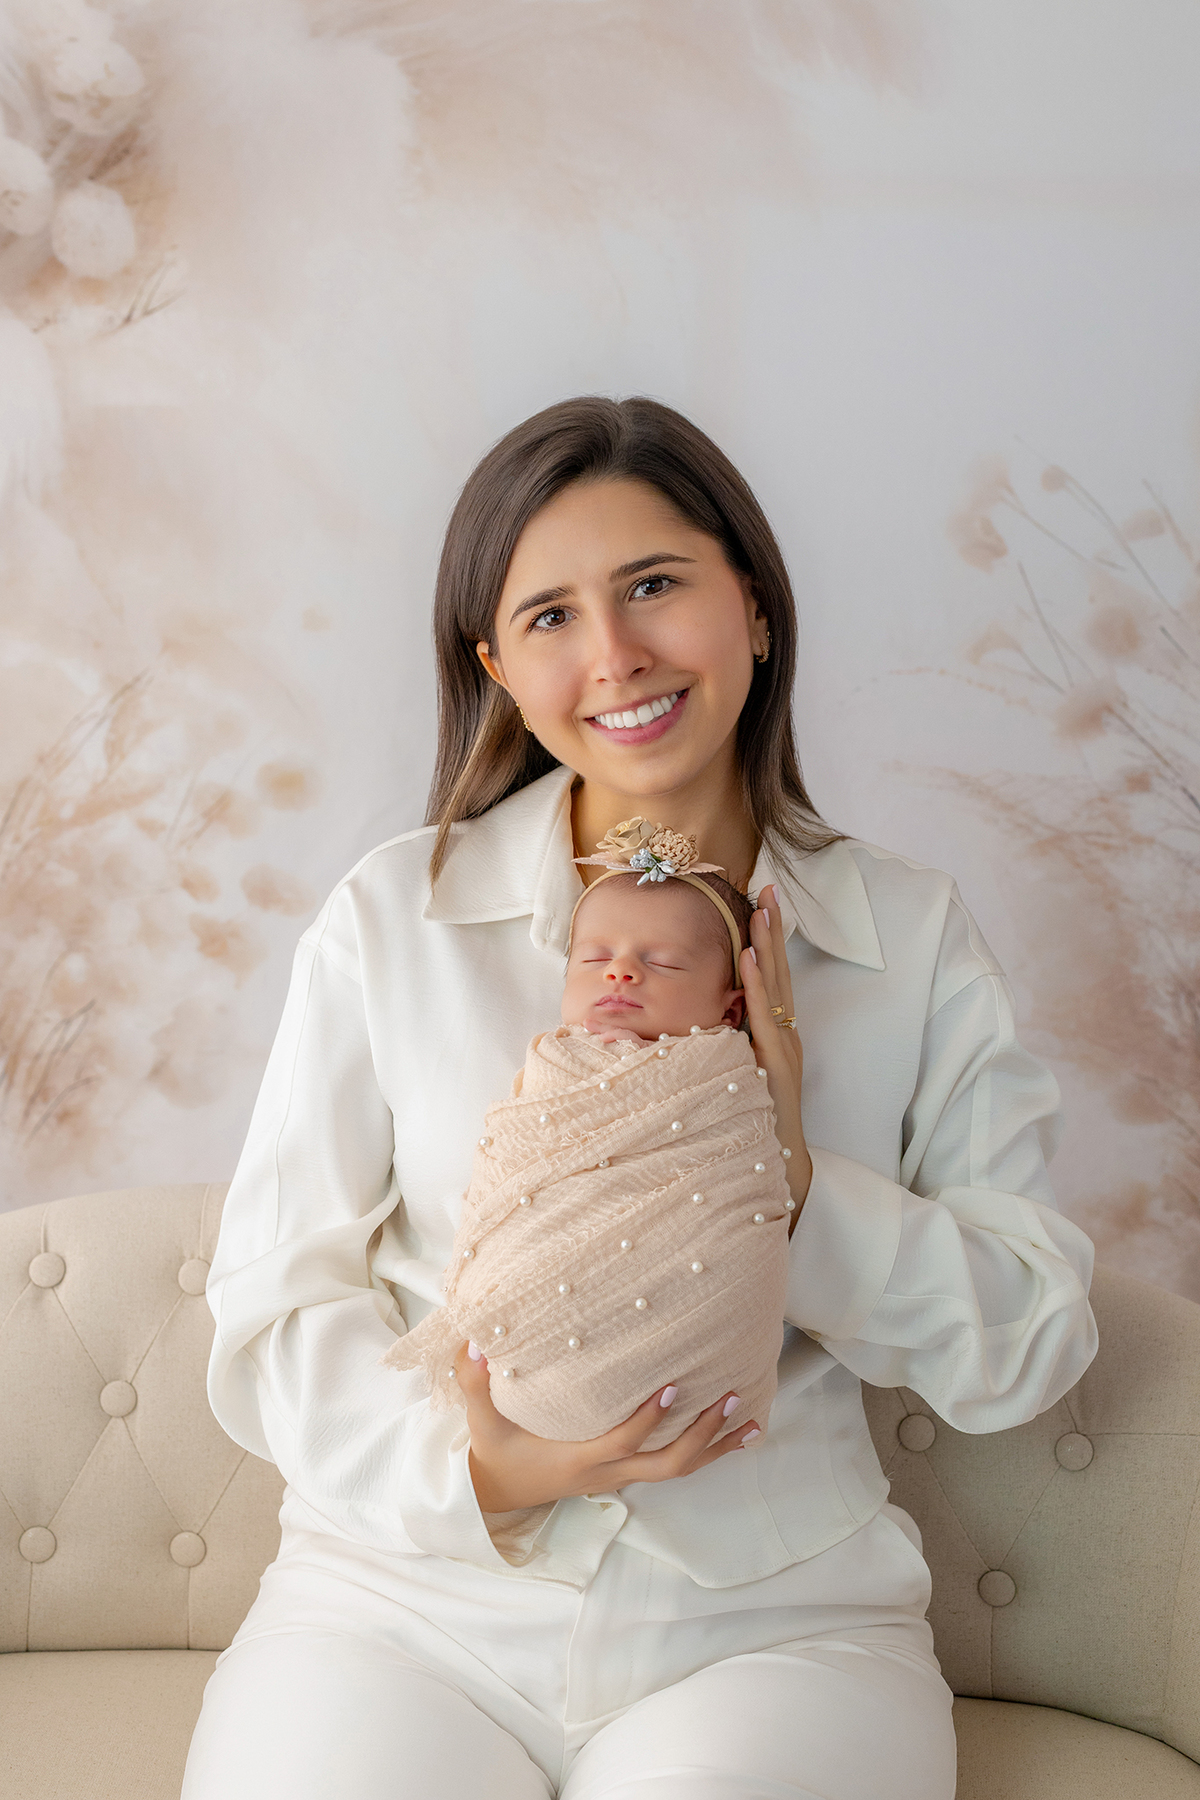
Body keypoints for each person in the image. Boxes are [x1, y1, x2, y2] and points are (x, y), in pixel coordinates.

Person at [182, 395, 1098, 1800]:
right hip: (401, 1611)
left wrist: (791, 1188)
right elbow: (269, 1314)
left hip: (777, 1632)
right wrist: (483, 1472)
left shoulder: (907, 940)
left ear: (756, 606)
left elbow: (1027, 1343)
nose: (614, 655)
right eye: (549, 616)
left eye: (654, 586)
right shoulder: (389, 920)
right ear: (496, 665)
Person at [383, 839, 793, 1463]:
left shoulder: (720, 1081)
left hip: (710, 1390)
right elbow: (517, 1161)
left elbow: (741, 1185)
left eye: (664, 962)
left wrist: (784, 1109)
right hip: (502, 1416)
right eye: (594, 957)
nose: (620, 972)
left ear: (731, 1008)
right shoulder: (552, 1066)